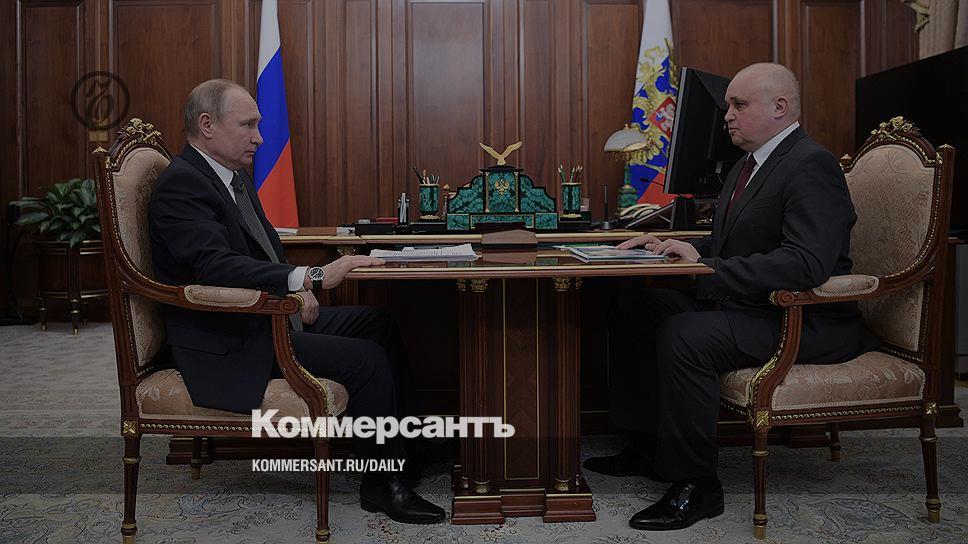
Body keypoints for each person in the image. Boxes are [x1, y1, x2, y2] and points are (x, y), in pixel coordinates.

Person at [583, 63, 879, 531]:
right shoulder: (747, 165)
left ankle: (697, 485)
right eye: (728, 106)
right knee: (636, 306)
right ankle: (648, 447)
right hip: (755, 306)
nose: (728, 116)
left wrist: (711, 269)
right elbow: (735, 243)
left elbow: (806, 264)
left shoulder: (810, 164)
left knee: (685, 334)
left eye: (739, 105)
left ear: (780, 107)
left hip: (806, 320)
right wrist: (677, 247)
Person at [149, 79, 447, 524]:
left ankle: (408, 448)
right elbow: (214, 266)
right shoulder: (182, 185)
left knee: (377, 323)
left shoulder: (231, 177)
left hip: (262, 318)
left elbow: (260, 251)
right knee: (365, 360)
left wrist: (295, 287)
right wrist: (309, 277)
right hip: (227, 337)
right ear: (206, 125)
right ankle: (383, 485)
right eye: (247, 125)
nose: (259, 138)